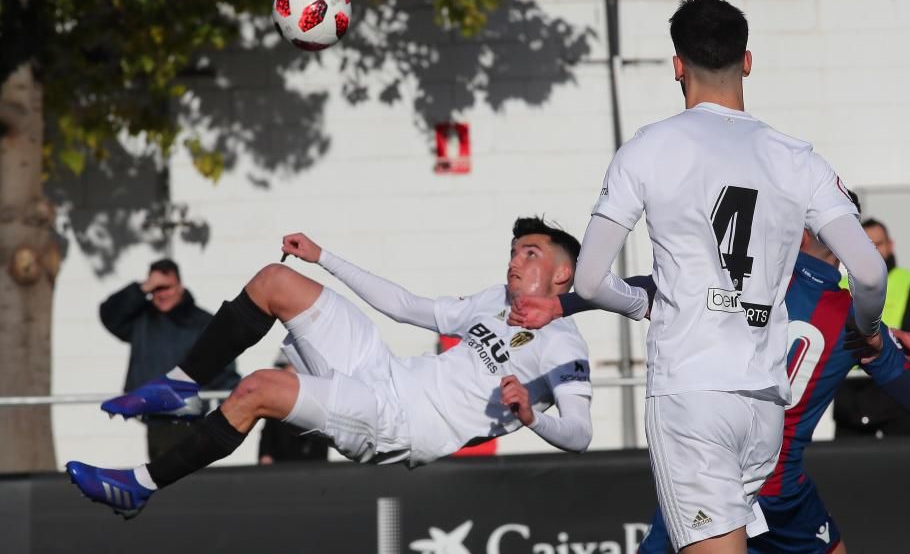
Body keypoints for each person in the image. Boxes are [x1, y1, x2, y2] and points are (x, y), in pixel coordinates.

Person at [547, 0, 887, 553]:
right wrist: (869, 327)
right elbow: (870, 274)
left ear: (676, 65)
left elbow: (587, 279)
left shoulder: (649, 148)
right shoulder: (795, 156)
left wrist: (640, 302)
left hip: (691, 393)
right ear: (746, 61)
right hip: (762, 404)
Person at [67, 217, 593, 518]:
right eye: (514, 251)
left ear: (561, 273)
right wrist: (325, 258)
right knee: (276, 280)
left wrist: (530, 416)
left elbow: (580, 434)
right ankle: (180, 387)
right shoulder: (492, 300)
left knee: (257, 389)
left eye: (528, 253)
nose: (513, 261)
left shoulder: (563, 344)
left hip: (399, 424)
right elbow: (410, 307)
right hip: (383, 371)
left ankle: (141, 484)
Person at [514, 221, 910, 554]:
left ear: (799, 231)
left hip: (716, 468)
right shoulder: (857, 321)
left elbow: (651, 290)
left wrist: (561, 303)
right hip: (783, 489)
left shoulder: (748, 281)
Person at [99, 259, 241, 458]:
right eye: (155, 289)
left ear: (180, 287)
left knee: (185, 478)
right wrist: (142, 288)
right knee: (161, 478)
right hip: (153, 418)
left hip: (190, 419)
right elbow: (109, 315)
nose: (161, 294)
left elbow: (224, 368)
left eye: (166, 287)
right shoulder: (142, 321)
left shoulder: (201, 322)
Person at [833, 217, 910, 438]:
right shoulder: (839, 285)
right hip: (851, 398)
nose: (873, 251)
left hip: (896, 394)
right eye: (866, 245)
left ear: (890, 245)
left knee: (905, 468)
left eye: (878, 244)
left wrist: (875, 347)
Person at [257, 358, 329, 464]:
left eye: (294, 378)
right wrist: (266, 457)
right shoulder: (274, 410)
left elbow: (320, 452)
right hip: (280, 471)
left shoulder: (316, 408)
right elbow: (267, 441)